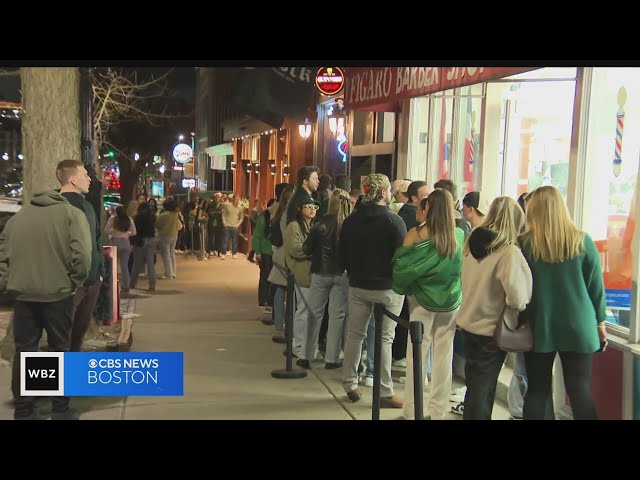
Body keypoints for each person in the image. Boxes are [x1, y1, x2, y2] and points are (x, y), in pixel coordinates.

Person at [0, 187, 92, 420]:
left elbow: (3, 256)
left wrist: (8, 283)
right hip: (57, 293)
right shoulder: (72, 215)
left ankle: (24, 410)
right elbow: (81, 255)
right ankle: (59, 409)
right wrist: (75, 282)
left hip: (23, 294)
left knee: (25, 352)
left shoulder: (16, 219)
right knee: (59, 350)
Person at [520, 186, 606, 420]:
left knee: (537, 390)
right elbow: (595, 288)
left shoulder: (524, 245)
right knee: (579, 389)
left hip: (540, 324)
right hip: (579, 324)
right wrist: (600, 322)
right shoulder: (582, 241)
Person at [455, 196, 533, 420]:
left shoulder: (470, 242)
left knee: (474, 384)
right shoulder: (508, 252)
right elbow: (518, 299)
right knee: (483, 388)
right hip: (491, 330)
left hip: (468, 322)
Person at [392, 189, 465, 419]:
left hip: (421, 302)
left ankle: (412, 410)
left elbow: (402, 268)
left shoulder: (416, 235)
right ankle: (438, 410)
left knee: (417, 356)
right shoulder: (459, 235)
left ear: (428, 208)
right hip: (451, 302)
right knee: (445, 356)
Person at [339, 174, 406, 407]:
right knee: (385, 339)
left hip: (358, 285)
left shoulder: (351, 220)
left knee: (355, 335)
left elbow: (342, 253)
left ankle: (350, 383)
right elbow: (402, 257)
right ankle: (385, 391)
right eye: (389, 190)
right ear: (382, 193)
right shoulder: (394, 222)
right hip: (387, 287)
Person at [57, 160, 105, 353]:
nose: (89, 179)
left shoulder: (87, 206)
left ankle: (71, 375)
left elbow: (95, 240)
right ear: (73, 179)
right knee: (64, 335)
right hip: (72, 282)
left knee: (77, 333)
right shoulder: (59, 207)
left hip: (90, 279)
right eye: (85, 175)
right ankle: (60, 377)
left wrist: (98, 274)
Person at [105, 206, 137, 293]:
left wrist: (114, 232)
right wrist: (126, 234)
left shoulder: (113, 218)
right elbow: (134, 232)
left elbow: (107, 230)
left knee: (113, 265)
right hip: (126, 242)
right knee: (124, 266)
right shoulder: (129, 219)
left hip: (115, 242)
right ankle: (126, 286)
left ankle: (112, 285)